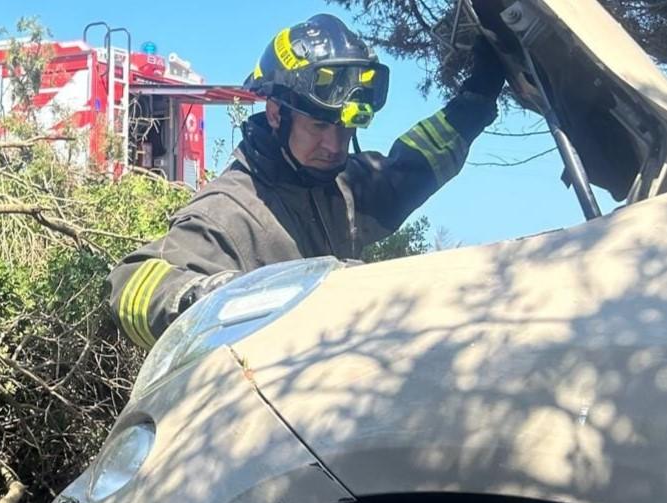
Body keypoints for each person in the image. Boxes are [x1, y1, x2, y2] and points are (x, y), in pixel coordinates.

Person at [106, 14, 506, 349]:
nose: (335, 145)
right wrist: (217, 298)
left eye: (346, 127)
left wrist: (477, 97)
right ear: (277, 113)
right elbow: (131, 282)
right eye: (318, 125)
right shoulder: (228, 211)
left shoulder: (335, 185)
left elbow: (409, 170)